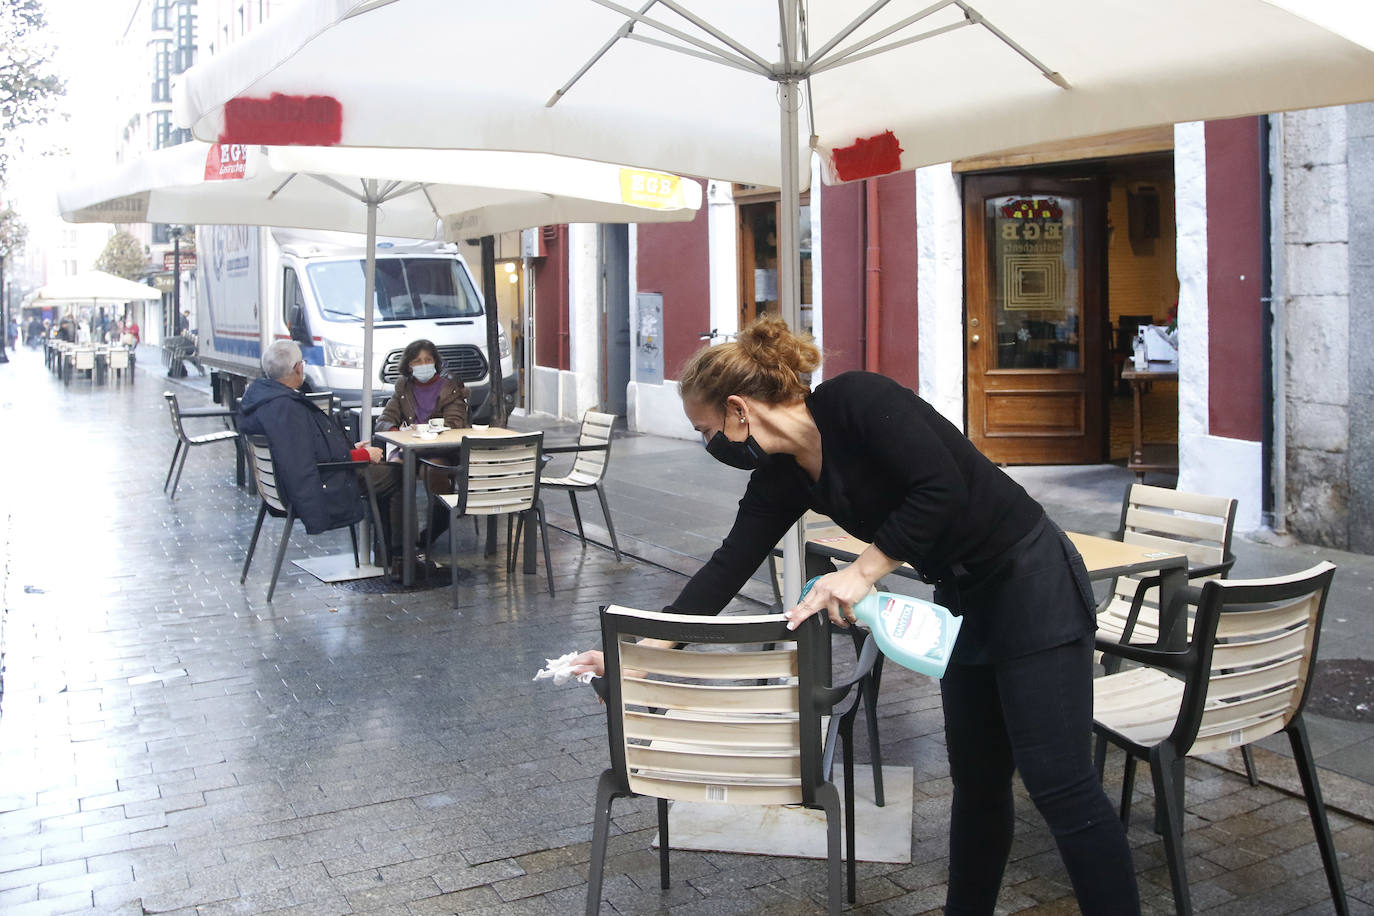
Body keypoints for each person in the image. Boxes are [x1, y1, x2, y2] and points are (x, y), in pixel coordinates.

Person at [567, 316, 1139, 915]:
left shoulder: (860, 401)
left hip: (1031, 581)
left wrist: (860, 572)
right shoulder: (783, 474)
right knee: (978, 787)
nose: (711, 445)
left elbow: (942, 489)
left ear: (738, 410)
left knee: (1061, 787)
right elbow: (727, 565)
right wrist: (638, 650)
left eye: (707, 430)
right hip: (964, 604)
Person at [239, 340, 398, 549]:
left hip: (279, 488)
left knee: (387, 475)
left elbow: (303, 450)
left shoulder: (262, 400)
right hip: (325, 484)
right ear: (298, 367)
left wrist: (349, 451)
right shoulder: (286, 407)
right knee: (397, 475)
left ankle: (387, 553)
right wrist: (362, 456)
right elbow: (309, 462)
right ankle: (397, 555)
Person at [376, 338, 470, 548]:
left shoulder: (450, 388)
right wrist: (395, 431)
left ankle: (438, 522)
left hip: (440, 449)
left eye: (428, 359)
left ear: (435, 362)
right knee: (393, 471)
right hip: (410, 448)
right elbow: (383, 420)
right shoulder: (403, 387)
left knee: (432, 470)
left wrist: (426, 430)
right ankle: (397, 539)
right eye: (418, 361)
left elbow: (455, 424)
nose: (423, 364)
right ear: (409, 365)